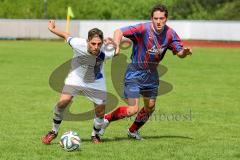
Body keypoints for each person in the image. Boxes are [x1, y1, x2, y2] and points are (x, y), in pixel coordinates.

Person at [99, 4, 192, 140]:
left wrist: (185, 52)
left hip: (152, 74)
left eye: (161, 18)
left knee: (150, 107)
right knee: (132, 109)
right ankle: (106, 120)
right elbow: (119, 31)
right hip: (135, 72)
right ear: (151, 18)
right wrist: (117, 45)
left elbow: (179, 53)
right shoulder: (143, 28)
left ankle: (132, 131)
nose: (158, 21)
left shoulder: (170, 34)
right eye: (156, 18)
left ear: (166, 18)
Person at [42, 20, 116, 144]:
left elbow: (117, 50)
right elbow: (66, 35)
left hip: (96, 81)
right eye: (93, 43)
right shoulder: (78, 43)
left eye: (99, 44)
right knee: (63, 102)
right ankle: (53, 132)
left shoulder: (106, 51)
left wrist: (114, 43)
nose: (96, 47)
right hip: (76, 78)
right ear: (87, 41)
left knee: (100, 112)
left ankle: (95, 135)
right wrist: (52, 29)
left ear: (102, 43)